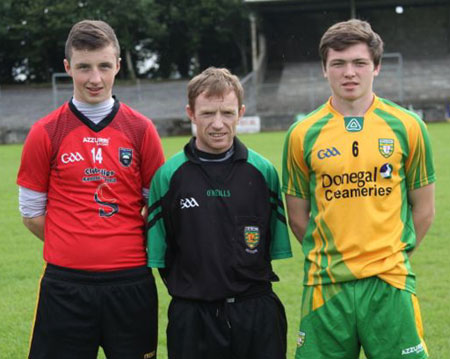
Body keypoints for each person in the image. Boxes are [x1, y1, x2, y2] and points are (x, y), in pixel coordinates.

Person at [282, 19, 435, 359]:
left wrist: (392, 256)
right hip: (326, 285)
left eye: (359, 63)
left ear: (376, 67)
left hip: (389, 283)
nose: (349, 72)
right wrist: (335, 257)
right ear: (324, 69)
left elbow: (424, 209)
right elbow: (297, 216)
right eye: (338, 63)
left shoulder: (409, 126)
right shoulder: (301, 134)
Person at [17, 20, 164, 359]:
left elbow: (155, 210)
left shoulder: (141, 130)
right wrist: (74, 242)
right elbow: (31, 213)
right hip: (65, 286)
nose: (95, 79)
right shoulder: (46, 132)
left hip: (131, 284)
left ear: (118, 66)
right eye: (84, 67)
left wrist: (116, 242)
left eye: (104, 66)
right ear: (68, 67)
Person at [147, 67, 292, 359]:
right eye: (207, 113)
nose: (218, 124)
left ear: (240, 112)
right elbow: (161, 256)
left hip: (256, 313)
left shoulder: (264, 173)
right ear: (190, 113)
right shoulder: (168, 177)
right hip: (193, 315)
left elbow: (268, 247)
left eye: (227, 113)